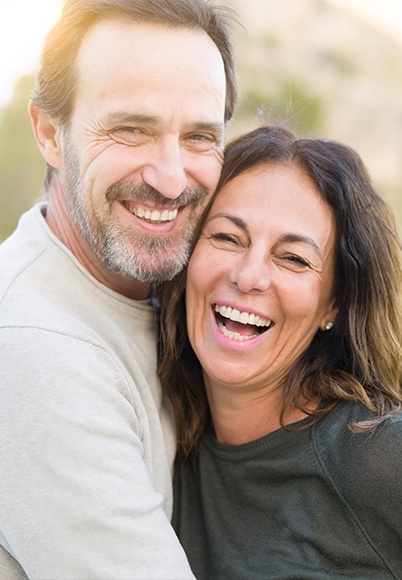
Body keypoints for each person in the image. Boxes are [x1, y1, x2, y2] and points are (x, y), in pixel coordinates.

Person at [0, 0, 238, 577]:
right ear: (50, 134)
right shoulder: (36, 350)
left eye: (201, 136)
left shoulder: (177, 294)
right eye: (131, 130)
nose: (172, 176)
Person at [159, 125, 402, 579]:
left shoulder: (379, 454)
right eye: (227, 237)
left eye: (293, 258)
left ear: (334, 303)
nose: (249, 275)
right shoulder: (155, 436)